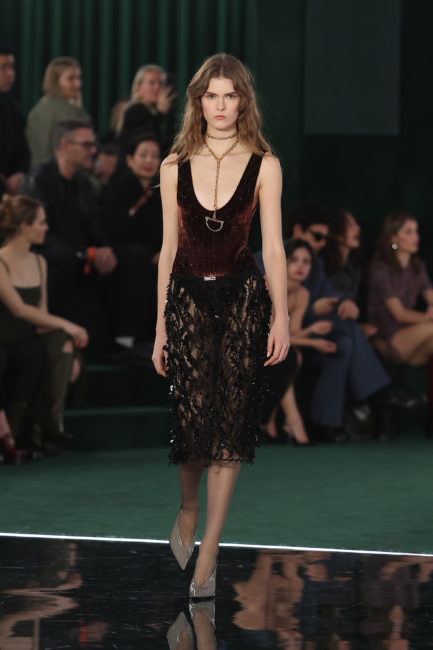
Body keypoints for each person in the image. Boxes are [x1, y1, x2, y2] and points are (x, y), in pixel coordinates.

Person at [152, 53, 289, 599]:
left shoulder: (265, 165)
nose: (221, 105)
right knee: (191, 427)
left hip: (243, 299)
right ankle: (188, 506)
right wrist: (160, 327)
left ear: (243, 101)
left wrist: (282, 316)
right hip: (186, 296)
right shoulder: (174, 165)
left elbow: (273, 249)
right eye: (212, 96)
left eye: (230, 95)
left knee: (230, 427)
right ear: (199, 101)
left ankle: (210, 546)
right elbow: (167, 250)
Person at [289, 201, 413, 442]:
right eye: (317, 236)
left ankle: (325, 424)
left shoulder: (318, 264)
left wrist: (345, 304)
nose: (322, 244)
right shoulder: (276, 258)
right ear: (297, 230)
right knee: (348, 331)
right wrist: (316, 311)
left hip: (315, 330)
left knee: (344, 343)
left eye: (325, 238)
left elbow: (330, 296)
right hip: (293, 332)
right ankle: (380, 393)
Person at [0, 194, 88, 454]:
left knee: (62, 347)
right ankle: (23, 433)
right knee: (34, 354)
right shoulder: (1, 261)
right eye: (40, 222)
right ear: (23, 226)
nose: (46, 227)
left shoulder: (40, 262)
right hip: (5, 341)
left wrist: (69, 337)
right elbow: (18, 308)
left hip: (30, 340)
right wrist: (69, 325)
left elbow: (41, 316)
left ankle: (49, 429)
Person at [20, 120, 117, 327]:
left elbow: (95, 224)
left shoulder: (83, 183)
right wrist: (84, 253)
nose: (93, 151)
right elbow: (40, 238)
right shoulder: (38, 181)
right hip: (53, 262)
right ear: (65, 145)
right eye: (87, 145)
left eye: (93, 145)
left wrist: (105, 249)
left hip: (80, 260)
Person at [264, 239, 336, 445]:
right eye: (294, 260)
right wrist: (314, 342)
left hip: (270, 348)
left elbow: (290, 334)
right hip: (243, 345)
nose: (300, 266)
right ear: (283, 261)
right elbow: (265, 336)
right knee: (290, 357)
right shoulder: (265, 284)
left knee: (291, 356)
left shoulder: (302, 294)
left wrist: (312, 331)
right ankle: (291, 423)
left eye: (306, 262)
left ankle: (274, 423)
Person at [368, 212, 433, 428]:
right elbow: (399, 314)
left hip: (414, 341)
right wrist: (427, 317)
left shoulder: (418, 266)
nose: (416, 237)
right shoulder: (380, 269)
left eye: (416, 231)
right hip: (388, 340)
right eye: (408, 232)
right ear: (394, 238)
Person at [103, 131, 162, 346]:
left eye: (154, 156)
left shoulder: (161, 189)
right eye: (143, 155)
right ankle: (125, 337)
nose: (149, 161)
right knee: (138, 258)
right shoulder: (119, 188)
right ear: (129, 159)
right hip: (122, 251)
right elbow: (113, 229)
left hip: (154, 252)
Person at [26, 57, 91, 167]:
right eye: (70, 79)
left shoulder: (38, 109)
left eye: (78, 78)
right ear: (55, 81)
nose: (77, 84)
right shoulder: (65, 112)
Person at [322, 209, 377, 339]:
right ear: (336, 233)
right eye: (349, 225)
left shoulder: (354, 268)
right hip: (326, 326)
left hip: (347, 325)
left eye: (355, 224)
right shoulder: (323, 266)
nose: (357, 228)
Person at [119, 64, 176, 152]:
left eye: (160, 83)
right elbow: (145, 140)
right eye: (151, 83)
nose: (157, 87)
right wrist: (161, 113)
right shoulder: (135, 110)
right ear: (139, 87)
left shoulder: (158, 112)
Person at [0, 44, 30, 198]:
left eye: (12, 67)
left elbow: (23, 150)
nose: (10, 73)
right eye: (4, 67)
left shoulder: (12, 108)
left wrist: (19, 174)